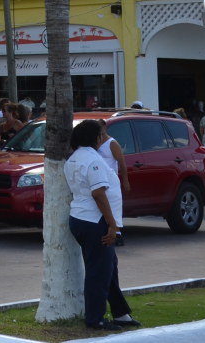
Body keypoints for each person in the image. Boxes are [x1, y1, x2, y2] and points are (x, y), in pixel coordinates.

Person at [66, 119, 140, 332]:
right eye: (100, 135)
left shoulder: (75, 157)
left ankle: (120, 313)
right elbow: (98, 193)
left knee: (108, 268)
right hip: (95, 221)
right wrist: (112, 224)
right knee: (99, 272)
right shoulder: (92, 160)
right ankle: (95, 319)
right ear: (94, 138)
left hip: (82, 218)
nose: (103, 138)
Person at [96, 120, 129, 246]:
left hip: (110, 181)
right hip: (99, 180)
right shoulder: (96, 143)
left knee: (113, 207)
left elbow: (122, 162)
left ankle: (117, 233)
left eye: (100, 128)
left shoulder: (112, 143)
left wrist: (125, 180)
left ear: (104, 127)